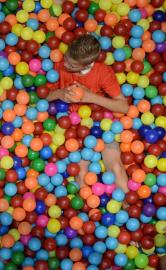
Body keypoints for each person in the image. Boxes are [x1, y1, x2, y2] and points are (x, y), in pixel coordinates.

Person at [46, 34, 130, 193]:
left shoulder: (103, 72)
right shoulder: (60, 66)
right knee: (81, 174)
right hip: (73, 124)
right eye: (66, 57)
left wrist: (90, 97)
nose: (65, 64)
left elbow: (123, 107)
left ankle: (130, 208)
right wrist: (59, 94)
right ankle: (87, 212)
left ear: (87, 64)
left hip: (101, 123)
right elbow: (44, 95)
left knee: (116, 167)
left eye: (71, 64)